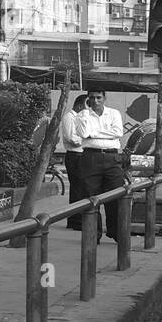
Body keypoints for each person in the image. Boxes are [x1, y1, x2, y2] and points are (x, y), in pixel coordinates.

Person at [74, 89, 126, 242]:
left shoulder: (114, 113)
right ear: (88, 99)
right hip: (90, 157)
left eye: (99, 98)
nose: (95, 101)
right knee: (91, 198)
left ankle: (116, 233)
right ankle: (93, 235)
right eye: (92, 98)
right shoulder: (82, 115)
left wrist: (94, 133)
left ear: (104, 98)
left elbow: (118, 132)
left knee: (116, 195)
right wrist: (85, 116)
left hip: (112, 157)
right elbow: (84, 134)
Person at [62, 94, 87, 230]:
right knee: (77, 189)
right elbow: (72, 138)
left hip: (83, 156)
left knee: (81, 188)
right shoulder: (69, 118)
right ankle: (76, 221)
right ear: (79, 106)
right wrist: (87, 140)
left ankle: (75, 219)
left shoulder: (81, 118)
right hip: (75, 155)